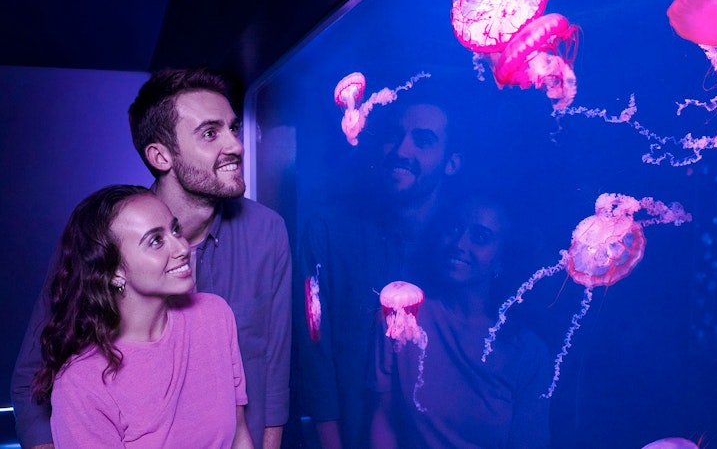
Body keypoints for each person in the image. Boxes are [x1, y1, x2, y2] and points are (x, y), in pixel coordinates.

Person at [11, 68, 292, 449]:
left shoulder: (267, 231)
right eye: (210, 133)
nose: (236, 146)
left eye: (233, 128)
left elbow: (273, 371)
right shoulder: (102, 237)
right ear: (160, 155)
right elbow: (36, 375)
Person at [294, 100, 462, 448]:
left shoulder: (458, 247)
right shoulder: (328, 231)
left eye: (423, 140)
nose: (402, 150)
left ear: (452, 162)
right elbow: (315, 350)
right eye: (394, 136)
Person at [31, 185, 252, 447]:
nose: (181, 247)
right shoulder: (80, 385)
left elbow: (239, 435)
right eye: (156, 241)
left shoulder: (214, 317)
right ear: (115, 272)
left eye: (175, 230)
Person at [370, 196, 551, 448]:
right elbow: (385, 420)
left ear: (502, 257)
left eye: (480, 237)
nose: (459, 243)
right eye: (454, 229)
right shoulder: (402, 316)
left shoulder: (526, 351)